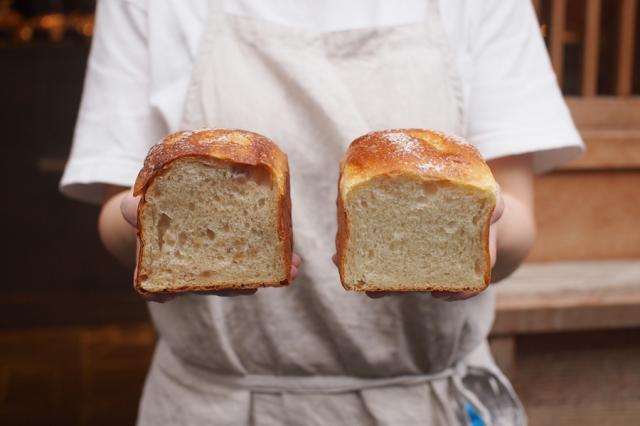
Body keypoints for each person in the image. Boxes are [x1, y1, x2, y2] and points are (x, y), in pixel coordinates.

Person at [60, 0, 583, 424]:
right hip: (219, 405)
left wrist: (478, 234)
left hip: (423, 404)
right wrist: (153, 224)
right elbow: (115, 214)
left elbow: (516, 227)